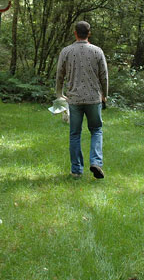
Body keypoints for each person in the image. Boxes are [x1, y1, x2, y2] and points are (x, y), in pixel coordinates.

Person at [55, 21, 109, 179]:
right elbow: (104, 75)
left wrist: (59, 93)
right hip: (93, 98)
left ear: (75, 33)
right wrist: (105, 94)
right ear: (89, 33)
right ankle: (96, 162)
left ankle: (76, 171)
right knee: (96, 130)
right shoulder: (97, 51)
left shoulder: (66, 51)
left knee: (75, 134)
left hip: (74, 99)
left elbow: (59, 74)